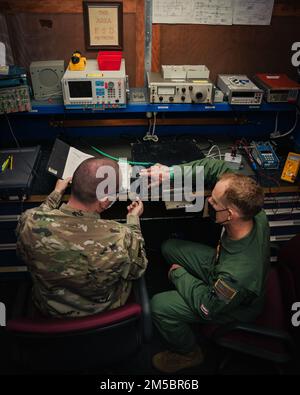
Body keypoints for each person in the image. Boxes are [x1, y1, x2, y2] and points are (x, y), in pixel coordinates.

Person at [142, 158, 269, 373]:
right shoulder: (252, 207)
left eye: (215, 201)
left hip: (229, 305)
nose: (209, 200)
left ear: (230, 215)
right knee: (170, 247)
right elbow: (215, 167)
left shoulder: (235, 276)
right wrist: (171, 172)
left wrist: (180, 276)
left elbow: (207, 306)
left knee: (159, 305)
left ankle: (189, 353)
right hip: (219, 264)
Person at [16, 158, 148, 318]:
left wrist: (56, 194)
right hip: (102, 311)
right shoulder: (120, 237)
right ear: (104, 201)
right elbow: (137, 269)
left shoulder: (29, 222)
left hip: (50, 309)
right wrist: (133, 220)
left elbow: (39, 218)